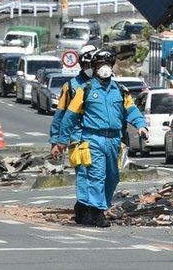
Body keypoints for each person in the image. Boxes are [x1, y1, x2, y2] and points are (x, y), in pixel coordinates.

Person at [58, 48, 147, 227]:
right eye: (100, 65)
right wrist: (62, 139)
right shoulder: (86, 90)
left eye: (107, 64)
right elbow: (70, 116)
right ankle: (98, 212)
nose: (104, 68)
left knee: (112, 177)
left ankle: (93, 207)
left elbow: (131, 110)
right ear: (94, 67)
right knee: (96, 175)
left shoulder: (121, 91)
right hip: (92, 139)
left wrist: (141, 125)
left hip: (114, 140)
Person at [49, 44, 96, 224]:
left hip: (100, 138)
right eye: (88, 65)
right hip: (78, 138)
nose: (91, 69)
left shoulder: (108, 84)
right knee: (84, 173)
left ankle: (96, 207)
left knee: (102, 175)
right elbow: (61, 114)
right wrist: (56, 141)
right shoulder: (71, 86)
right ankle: (84, 208)